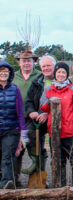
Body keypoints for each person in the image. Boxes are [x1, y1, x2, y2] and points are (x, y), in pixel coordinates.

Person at [40, 62, 73, 186]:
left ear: (67, 75)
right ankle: (60, 185)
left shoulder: (72, 90)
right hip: (54, 132)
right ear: (55, 74)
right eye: (58, 72)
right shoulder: (48, 90)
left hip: (70, 131)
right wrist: (49, 102)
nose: (61, 74)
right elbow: (42, 107)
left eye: (63, 72)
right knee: (58, 161)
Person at [23, 55, 56, 177]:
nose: (46, 68)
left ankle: (57, 176)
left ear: (54, 66)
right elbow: (28, 100)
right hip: (37, 118)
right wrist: (32, 112)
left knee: (56, 147)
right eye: (44, 66)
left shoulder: (60, 80)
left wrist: (48, 113)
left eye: (49, 65)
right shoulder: (37, 82)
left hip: (55, 119)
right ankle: (37, 166)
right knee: (29, 133)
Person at [13, 49, 41, 186]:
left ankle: (37, 181)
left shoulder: (39, 76)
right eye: (24, 61)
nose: (26, 63)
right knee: (17, 148)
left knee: (35, 147)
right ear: (19, 62)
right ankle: (14, 179)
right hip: (16, 119)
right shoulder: (13, 77)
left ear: (34, 62)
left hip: (33, 119)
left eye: (29, 61)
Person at [0, 61, 28, 189]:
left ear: (10, 73)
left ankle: (7, 183)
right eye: (1, 71)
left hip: (11, 129)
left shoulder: (15, 89)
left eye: (6, 71)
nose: (3, 74)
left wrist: (23, 133)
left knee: (8, 156)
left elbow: (20, 112)